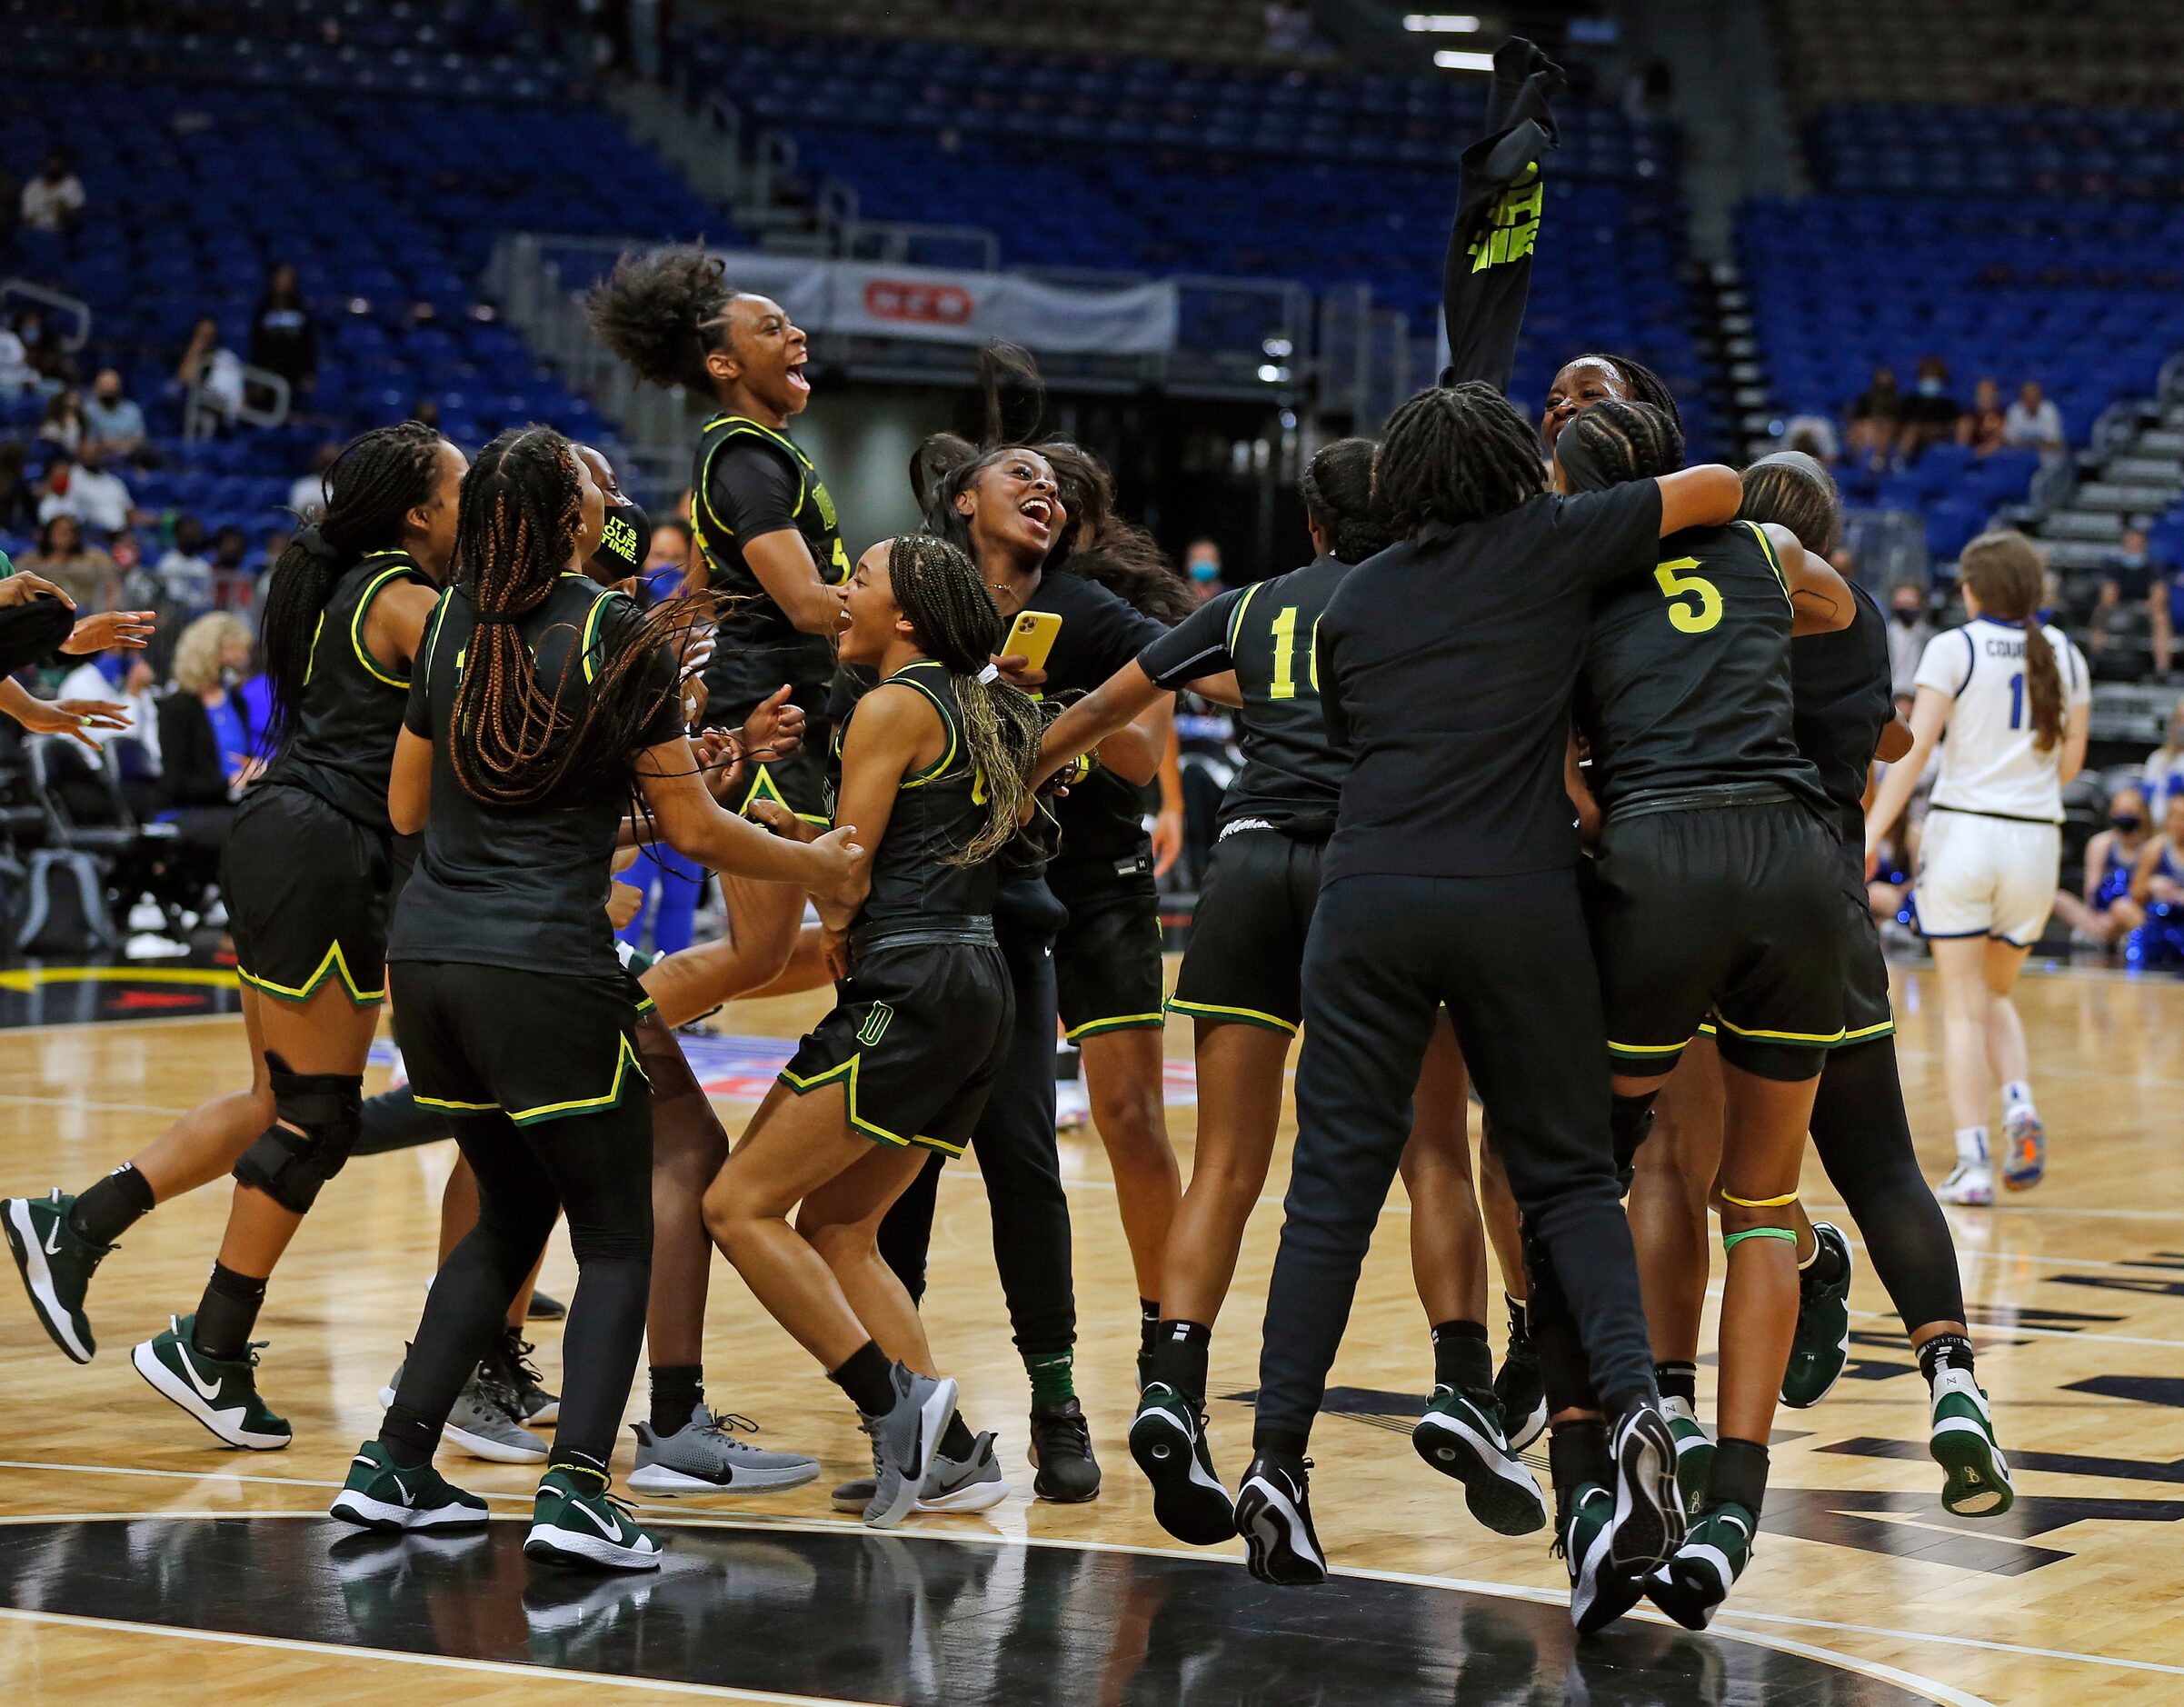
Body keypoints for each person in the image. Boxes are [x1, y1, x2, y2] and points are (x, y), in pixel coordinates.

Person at [1239, 382, 1740, 1617]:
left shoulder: (1356, 599)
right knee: (1568, 1176)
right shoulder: (1552, 540)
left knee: (1328, 1195)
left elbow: (1365, 723)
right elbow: (1722, 488)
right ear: (1516, 465)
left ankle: (1276, 1462)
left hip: (1368, 897)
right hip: (1515, 894)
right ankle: (1633, 1414)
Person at [327, 425, 860, 1568]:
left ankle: (392, 1463)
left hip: (427, 968)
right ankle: (578, 1490)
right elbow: (695, 833)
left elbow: (414, 811)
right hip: (544, 970)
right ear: (574, 518)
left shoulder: (452, 624)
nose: (610, 500)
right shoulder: (618, 631)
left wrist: (581, 807)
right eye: (595, 493)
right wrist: (815, 865)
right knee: (616, 1228)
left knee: (510, 1214)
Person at [1030, 438, 1535, 1547]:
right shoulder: (1422, 598)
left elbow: (1105, 705)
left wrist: (1012, 777)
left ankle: (1170, 1385)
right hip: (1374, 874)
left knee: (1224, 1164)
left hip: (1251, 872)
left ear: (1309, 525)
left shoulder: (1253, 608)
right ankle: (1463, 1385)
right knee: (1432, 1150)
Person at [4, 424, 464, 1410]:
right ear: (419, 513)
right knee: (316, 1119)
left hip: (289, 837)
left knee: (275, 1102)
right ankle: (208, 1346)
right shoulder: (404, 601)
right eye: (466, 491)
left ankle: (74, 1225)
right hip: (324, 849)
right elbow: (508, 703)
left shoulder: (350, 581)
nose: (477, 509)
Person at [1626, 452, 2011, 1576]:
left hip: (1694, 895)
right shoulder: (1851, 623)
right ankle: (1951, 1380)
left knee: (1691, 1173)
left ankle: (1676, 1400)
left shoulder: (1707, 610)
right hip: (1823, 909)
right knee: (1882, 1163)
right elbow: (1886, 738)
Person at [704, 533, 1041, 1528]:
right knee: (843, 1227)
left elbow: (851, 876)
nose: (839, 594)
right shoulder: (977, 702)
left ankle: (898, 1411)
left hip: (910, 981)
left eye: (860, 581)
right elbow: (898, 841)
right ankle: (950, 1456)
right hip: (978, 981)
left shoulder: (888, 707)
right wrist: (810, 841)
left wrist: (746, 840)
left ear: (907, 618)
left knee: (738, 1206)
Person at [1866, 531, 2090, 1204]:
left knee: (1961, 1011)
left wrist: (1872, 830)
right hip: (2035, 844)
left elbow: (1913, 752)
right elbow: (2070, 767)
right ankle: (2018, 1105)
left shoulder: (1952, 647)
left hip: (1966, 834)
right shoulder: (2067, 656)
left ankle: (1972, 1163)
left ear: (1970, 588)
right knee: (1993, 996)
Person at [2053, 784, 2150, 949]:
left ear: (2143, 814)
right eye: (2119, 810)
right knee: (2058, 899)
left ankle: (2127, 938)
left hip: (2133, 913)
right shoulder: (2101, 844)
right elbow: (2092, 890)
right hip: (2100, 915)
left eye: (2129, 811)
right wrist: (2101, 918)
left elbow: (2143, 894)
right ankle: (2102, 933)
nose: (2124, 816)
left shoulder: (2151, 846)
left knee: (2123, 908)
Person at [20, 514, 121, 613]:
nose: (65, 535)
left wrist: (108, 610)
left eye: (69, 531)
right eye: (59, 530)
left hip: (86, 611)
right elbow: (15, 583)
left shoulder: (95, 558)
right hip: (46, 614)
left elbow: (113, 586)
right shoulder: (30, 560)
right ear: (49, 533)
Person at [249, 264, 319, 395]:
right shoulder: (263, 309)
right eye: (281, 280)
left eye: (288, 280)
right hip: (268, 374)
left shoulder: (302, 309)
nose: (283, 284)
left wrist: (309, 372)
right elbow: (256, 343)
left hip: (295, 375)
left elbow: (309, 343)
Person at [41, 444, 135, 537]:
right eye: (88, 453)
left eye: (95, 453)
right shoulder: (74, 475)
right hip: (89, 535)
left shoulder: (114, 482)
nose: (92, 457)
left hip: (116, 533)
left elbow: (129, 512)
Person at [1895, 357, 1960, 462]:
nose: (1929, 380)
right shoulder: (1909, 401)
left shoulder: (1949, 404)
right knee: (1912, 429)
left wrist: (1934, 429)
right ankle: (1899, 461)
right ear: (1920, 378)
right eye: (1926, 376)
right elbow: (1900, 423)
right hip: (1912, 434)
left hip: (1937, 435)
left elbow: (1952, 426)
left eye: (1933, 377)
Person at [84, 370, 146, 459]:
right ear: (96, 388)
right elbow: (89, 445)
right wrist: (124, 444)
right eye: (104, 387)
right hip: (99, 461)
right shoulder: (87, 411)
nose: (108, 390)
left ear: (119, 389)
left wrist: (109, 444)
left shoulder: (132, 409)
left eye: (112, 387)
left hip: (130, 460)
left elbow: (138, 441)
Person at [1846, 365, 1901, 465]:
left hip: (1890, 430)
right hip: (1868, 429)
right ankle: (1860, 460)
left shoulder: (1898, 400)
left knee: (1886, 425)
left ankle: (1879, 458)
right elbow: (1857, 417)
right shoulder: (1865, 398)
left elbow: (1899, 419)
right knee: (1862, 426)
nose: (1883, 383)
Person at [19, 151, 85, 234]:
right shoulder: (33, 186)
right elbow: (27, 216)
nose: (54, 166)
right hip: (36, 232)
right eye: (52, 163)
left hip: (61, 231)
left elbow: (77, 210)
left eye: (58, 163)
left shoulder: (71, 183)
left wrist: (64, 212)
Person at [1886, 581, 1931, 695]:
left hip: (1918, 698)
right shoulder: (1883, 635)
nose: (1905, 608)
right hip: (1889, 698)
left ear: (1920, 604)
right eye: (1901, 603)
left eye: (1910, 603)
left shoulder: (1931, 638)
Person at [2003, 380, 2065, 457]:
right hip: (2021, 454)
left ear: (2040, 399)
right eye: (2027, 399)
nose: (2031, 403)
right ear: (2021, 399)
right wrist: (2035, 444)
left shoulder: (2049, 410)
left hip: (2045, 455)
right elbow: (2009, 441)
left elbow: (2055, 443)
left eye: (2034, 399)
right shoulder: (2014, 410)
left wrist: (2027, 444)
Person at [1956, 377, 2008, 456]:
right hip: (1971, 454)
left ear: (1995, 395)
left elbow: (2001, 438)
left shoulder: (2002, 415)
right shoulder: (1968, 416)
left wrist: (1988, 448)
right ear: (1976, 396)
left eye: (1989, 394)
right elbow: (1961, 442)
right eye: (1981, 394)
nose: (1985, 397)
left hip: (1997, 456)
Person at [1183, 537, 1224, 603]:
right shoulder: (1180, 596)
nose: (1203, 563)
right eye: (1199, 559)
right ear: (1187, 563)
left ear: (1219, 563)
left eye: (1208, 558)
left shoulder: (1230, 596)